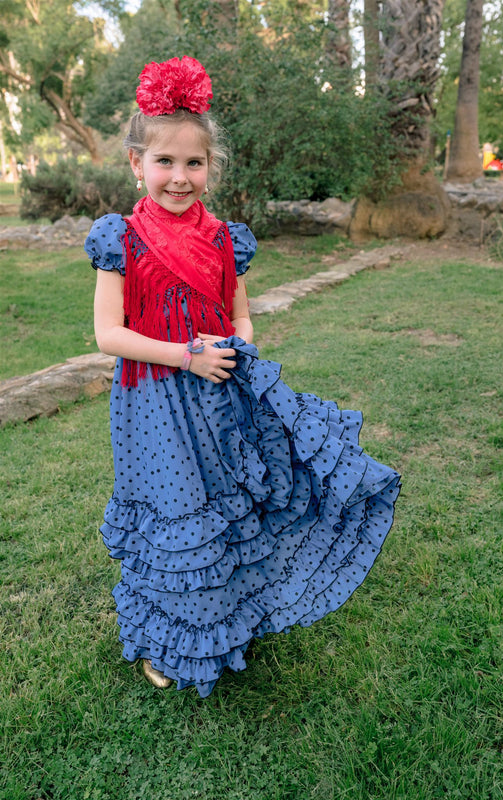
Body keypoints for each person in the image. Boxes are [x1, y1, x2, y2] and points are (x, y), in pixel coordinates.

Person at [85, 56, 401, 697]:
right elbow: (107, 335)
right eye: (164, 162)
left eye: (193, 163)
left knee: (231, 508)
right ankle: (176, 643)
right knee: (180, 516)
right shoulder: (121, 238)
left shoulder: (229, 240)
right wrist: (184, 356)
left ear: (211, 166)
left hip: (220, 398)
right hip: (155, 405)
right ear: (136, 164)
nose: (179, 177)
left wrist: (230, 349)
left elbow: (243, 319)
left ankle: (232, 615)